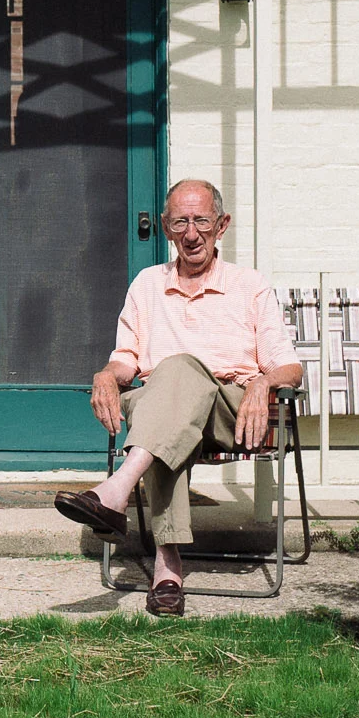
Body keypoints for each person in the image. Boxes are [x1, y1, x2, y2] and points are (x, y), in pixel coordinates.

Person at [53, 179, 303, 616]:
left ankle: (119, 495)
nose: (191, 234)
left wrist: (262, 384)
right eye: (180, 222)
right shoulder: (147, 284)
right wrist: (106, 374)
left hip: (228, 411)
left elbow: (290, 368)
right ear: (166, 227)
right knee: (165, 399)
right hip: (160, 409)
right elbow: (126, 359)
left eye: (201, 221)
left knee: (177, 371)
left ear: (221, 225)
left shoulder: (249, 285)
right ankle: (166, 573)